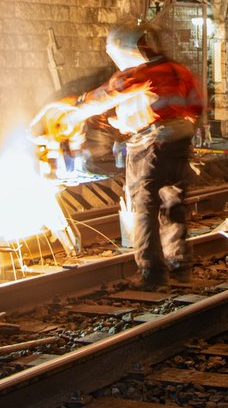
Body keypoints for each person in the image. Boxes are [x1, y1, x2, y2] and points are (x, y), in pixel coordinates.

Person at [67, 22, 203, 288]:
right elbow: (193, 107)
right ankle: (179, 266)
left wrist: (72, 109)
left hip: (151, 147)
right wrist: (127, 123)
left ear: (123, 48)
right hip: (180, 143)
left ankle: (151, 273)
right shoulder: (180, 71)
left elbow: (104, 96)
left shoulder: (141, 74)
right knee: (172, 205)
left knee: (144, 207)